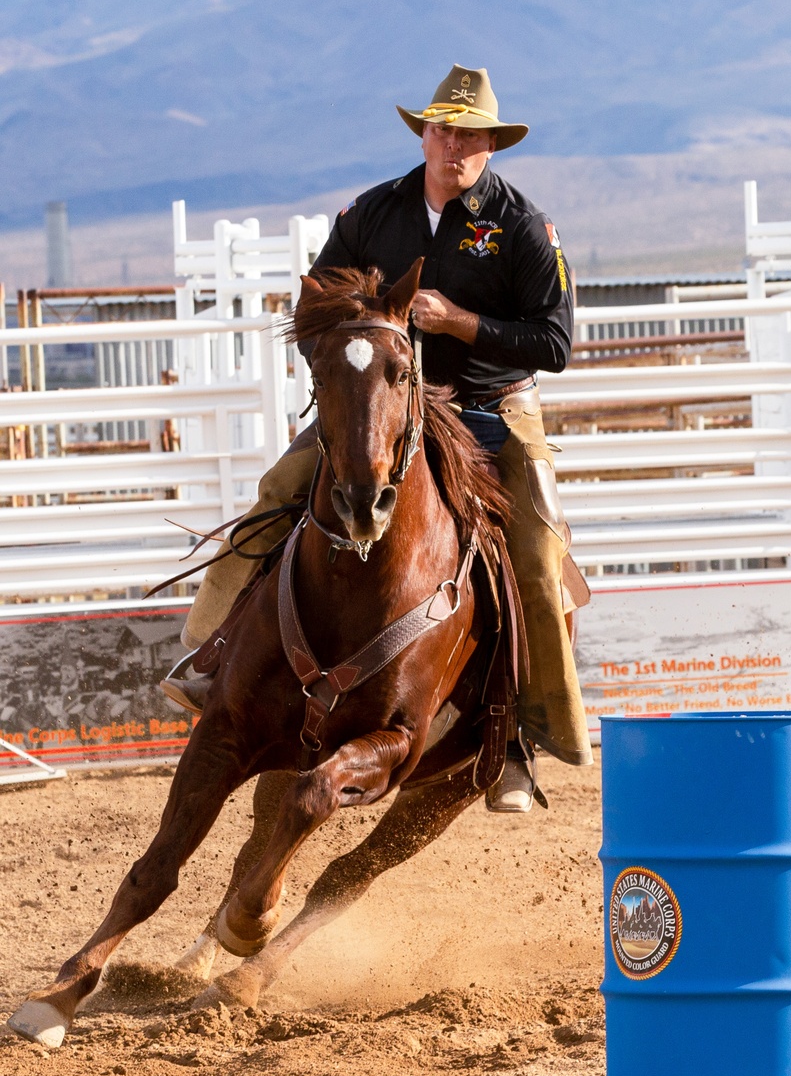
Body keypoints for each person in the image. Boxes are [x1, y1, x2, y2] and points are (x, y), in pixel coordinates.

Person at [162, 64, 593, 811]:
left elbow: (553, 343)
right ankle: (211, 655)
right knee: (278, 493)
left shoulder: (523, 226)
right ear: (423, 134)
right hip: (382, 410)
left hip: (493, 408)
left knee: (535, 548)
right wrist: (351, 379)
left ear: (492, 144)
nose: (452, 143)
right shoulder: (371, 214)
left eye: (468, 133)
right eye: (441, 128)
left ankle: (521, 731)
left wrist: (459, 323)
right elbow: (313, 312)